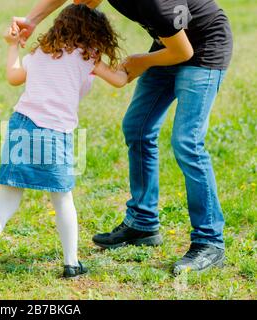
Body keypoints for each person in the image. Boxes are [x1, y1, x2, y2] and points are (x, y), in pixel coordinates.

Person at [13, 0, 233, 275]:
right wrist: (33, 19)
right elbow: (80, 2)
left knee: (187, 142)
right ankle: (142, 223)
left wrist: (143, 61)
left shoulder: (157, 3)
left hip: (202, 50)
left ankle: (209, 241)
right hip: (170, 46)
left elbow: (183, 50)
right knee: (137, 128)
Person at [0, 4, 128, 291]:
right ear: (94, 34)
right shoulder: (88, 58)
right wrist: (146, 61)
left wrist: (12, 46)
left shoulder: (40, 53)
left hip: (21, 127)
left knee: (6, 201)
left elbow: (14, 77)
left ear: (59, 26)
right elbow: (120, 80)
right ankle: (71, 263)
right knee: (62, 200)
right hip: (55, 134)